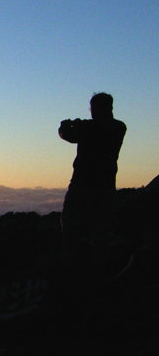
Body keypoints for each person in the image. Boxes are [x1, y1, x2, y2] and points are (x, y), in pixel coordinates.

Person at [58, 92, 126, 255]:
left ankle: (73, 259)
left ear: (94, 108)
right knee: (101, 227)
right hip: (106, 184)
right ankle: (100, 260)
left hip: (82, 183)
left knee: (70, 223)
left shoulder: (88, 127)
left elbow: (66, 135)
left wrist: (63, 126)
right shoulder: (119, 127)